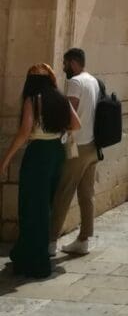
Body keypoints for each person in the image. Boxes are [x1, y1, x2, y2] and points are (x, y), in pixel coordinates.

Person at [0, 65, 79, 279]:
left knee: (31, 207)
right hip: (56, 153)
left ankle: (33, 260)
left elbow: (24, 133)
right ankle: (30, 254)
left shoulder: (33, 100)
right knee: (45, 206)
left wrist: (5, 160)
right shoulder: (60, 98)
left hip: (38, 155)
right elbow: (76, 124)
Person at [50, 48, 102, 256]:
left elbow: (69, 114)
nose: (63, 68)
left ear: (72, 62)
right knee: (86, 194)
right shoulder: (93, 81)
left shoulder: (75, 83)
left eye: (64, 64)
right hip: (92, 146)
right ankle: (84, 240)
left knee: (63, 191)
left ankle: (50, 241)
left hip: (77, 146)